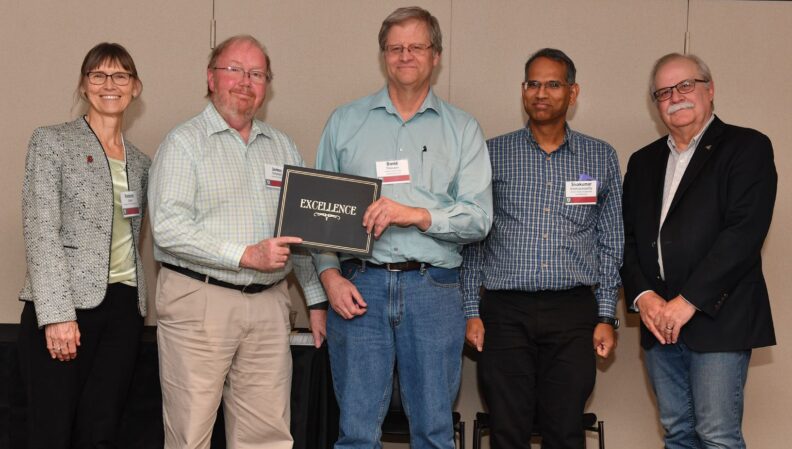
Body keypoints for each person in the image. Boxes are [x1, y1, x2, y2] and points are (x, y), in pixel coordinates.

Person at [312, 6, 492, 449]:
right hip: (359, 289)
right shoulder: (344, 123)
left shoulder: (463, 130)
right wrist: (329, 277)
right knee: (355, 432)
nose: (405, 55)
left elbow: (479, 219)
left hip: (434, 290)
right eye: (395, 48)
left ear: (436, 56)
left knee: (433, 432)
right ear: (383, 56)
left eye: (416, 46)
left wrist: (414, 213)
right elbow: (317, 217)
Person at [148, 35, 327, 449]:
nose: (245, 81)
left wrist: (315, 300)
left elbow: (297, 232)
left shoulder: (283, 146)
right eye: (234, 70)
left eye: (257, 73)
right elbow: (169, 227)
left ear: (267, 85)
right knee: (190, 434)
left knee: (266, 436)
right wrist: (245, 255)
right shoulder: (183, 143)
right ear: (211, 78)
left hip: (268, 306)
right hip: (199, 301)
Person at [461, 48, 623, 449]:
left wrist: (605, 314)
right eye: (533, 83)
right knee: (507, 429)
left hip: (572, 313)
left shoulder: (600, 156)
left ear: (572, 92)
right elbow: (473, 239)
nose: (541, 93)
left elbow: (611, 240)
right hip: (504, 311)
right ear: (523, 90)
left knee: (566, 430)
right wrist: (470, 310)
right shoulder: (491, 153)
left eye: (553, 84)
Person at [621, 53, 776, 449]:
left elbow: (743, 234)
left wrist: (687, 301)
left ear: (710, 90)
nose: (676, 97)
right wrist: (646, 298)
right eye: (664, 91)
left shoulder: (747, 147)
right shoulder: (642, 162)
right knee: (677, 435)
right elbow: (630, 241)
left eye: (686, 85)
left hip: (718, 319)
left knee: (717, 436)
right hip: (658, 323)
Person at [17, 42, 149, 448]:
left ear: (136, 88)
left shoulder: (142, 161)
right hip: (65, 307)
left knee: (102, 429)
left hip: (125, 310)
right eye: (98, 75)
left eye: (120, 76)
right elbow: (41, 229)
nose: (110, 84)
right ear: (83, 85)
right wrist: (57, 315)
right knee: (52, 431)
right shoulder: (52, 141)